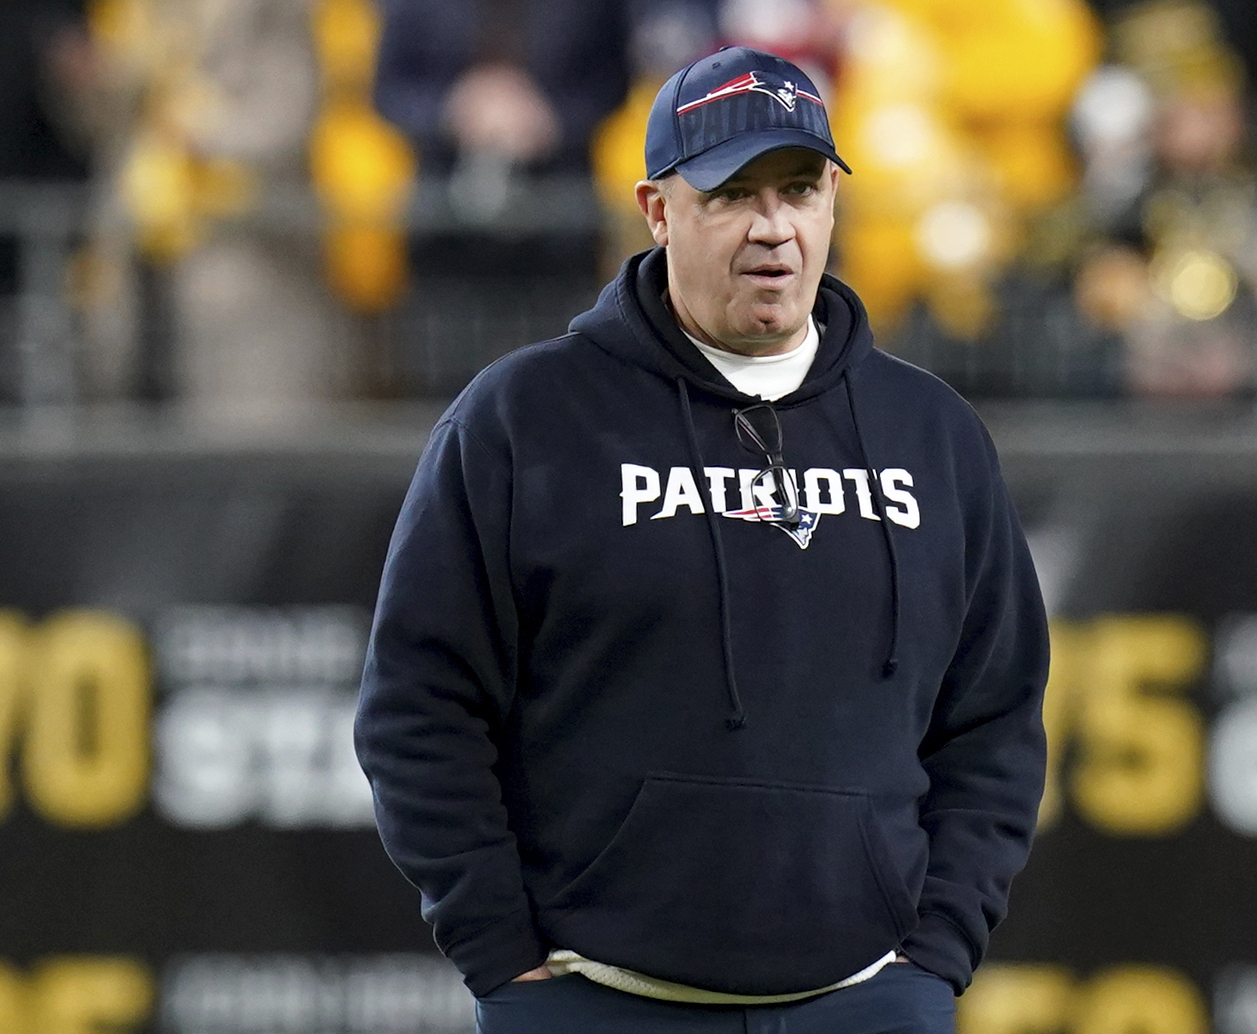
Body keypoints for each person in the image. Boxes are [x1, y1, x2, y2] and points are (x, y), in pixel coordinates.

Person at [355, 46, 1049, 1034]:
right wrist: (501, 955)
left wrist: (937, 950)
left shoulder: (931, 432)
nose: (774, 227)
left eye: (801, 189)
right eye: (733, 194)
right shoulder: (525, 419)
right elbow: (418, 705)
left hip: (870, 999)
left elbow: (996, 711)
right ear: (657, 209)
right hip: (597, 999)